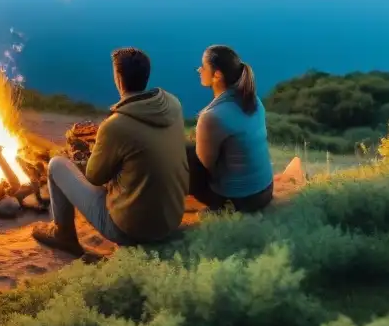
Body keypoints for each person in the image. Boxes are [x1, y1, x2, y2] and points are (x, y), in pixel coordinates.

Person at [32, 47, 189, 257]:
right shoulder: (173, 106)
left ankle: (63, 235)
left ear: (118, 78)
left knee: (56, 165)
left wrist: (87, 150)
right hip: (170, 220)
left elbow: (95, 177)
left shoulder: (116, 126)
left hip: (130, 230)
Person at [188, 45, 274, 213]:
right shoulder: (253, 100)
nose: (199, 70)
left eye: (203, 67)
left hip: (239, 201)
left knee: (181, 157)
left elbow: (206, 165)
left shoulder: (212, 116)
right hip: (265, 190)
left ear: (217, 75)